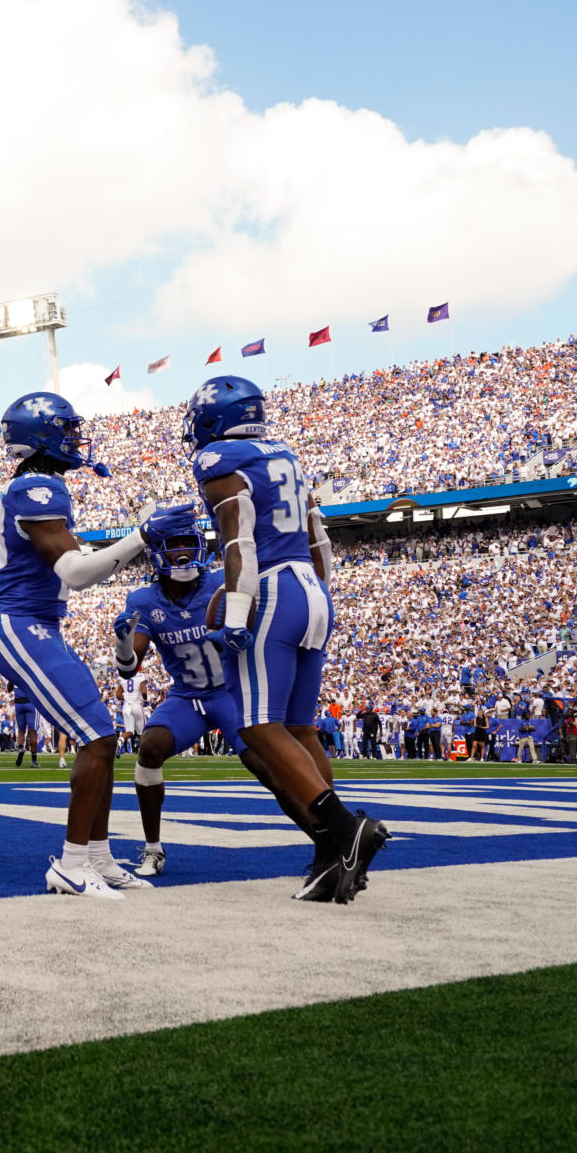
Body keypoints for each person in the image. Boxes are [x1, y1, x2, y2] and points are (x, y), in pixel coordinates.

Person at [187, 373, 387, 903]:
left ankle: (343, 828)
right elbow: (318, 536)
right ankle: (332, 852)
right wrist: (316, 591)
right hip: (311, 588)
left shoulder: (217, 460)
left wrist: (235, 606)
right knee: (300, 728)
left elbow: (239, 540)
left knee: (258, 728)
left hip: (272, 588)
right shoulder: (285, 455)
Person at [0, 391, 152, 898]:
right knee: (96, 735)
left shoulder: (36, 486)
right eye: (67, 429)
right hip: (21, 624)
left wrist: (133, 540)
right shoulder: (36, 486)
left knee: (104, 735)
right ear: (45, 434)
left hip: (38, 624)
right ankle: (72, 864)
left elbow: (80, 562)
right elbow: (74, 573)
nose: (76, 439)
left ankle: (97, 856)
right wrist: (140, 537)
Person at [114, 503, 325, 878]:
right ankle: (153, 848)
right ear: (157, 552)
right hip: (188, 696)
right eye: (173, 544)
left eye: (188, 543)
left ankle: (328, 840)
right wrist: (124, 645)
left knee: (267, 768)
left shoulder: (219, 582)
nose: (182, 552)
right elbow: (131, 667)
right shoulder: (143, 601)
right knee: (150, 746)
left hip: (232, 692)